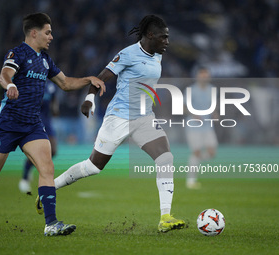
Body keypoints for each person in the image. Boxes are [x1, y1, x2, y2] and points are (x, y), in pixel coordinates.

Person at [0, 13, 105, 236]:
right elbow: (4, 75)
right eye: (48, 32)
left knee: (47, 167)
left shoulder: (46, 59)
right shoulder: (17, 53)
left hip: (32, 125)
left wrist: (89, 79)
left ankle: (51, 224)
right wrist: (9, 85)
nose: (52, 36)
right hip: (8, 122)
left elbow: (65, 83)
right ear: (34, 33)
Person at [36, 15, 186, 233]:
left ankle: (165, 217)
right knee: (93, 167)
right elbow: (100, 78)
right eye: (164, 38)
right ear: (150, 35)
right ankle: (50, 188)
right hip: (119, 117)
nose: (167, 42)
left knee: (165, 158)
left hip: (144, 118)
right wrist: (89, 99)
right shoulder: (128, 54)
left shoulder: (157, 55)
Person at [19, 79, 59, 194]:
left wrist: (55, 107)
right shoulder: (31, 81)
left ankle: (30, 165)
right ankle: (25, 179)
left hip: (47, 120)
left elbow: (54, 98)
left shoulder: (51, 85)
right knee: (39, 152)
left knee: (54, 151)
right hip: (35, 119)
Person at [185, 67, 218, 189]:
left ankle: (194, 159)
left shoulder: (212, 89)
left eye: (206, 75)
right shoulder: (191, 90)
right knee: (197, 152)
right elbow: (184, 106)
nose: (205, 77)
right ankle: (191, 181)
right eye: (202, 75)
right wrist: (194, 114)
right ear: (198, 76)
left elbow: (213, 105)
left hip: (208, 125)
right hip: (193, 126)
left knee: (211, 153)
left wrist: (215, 113)